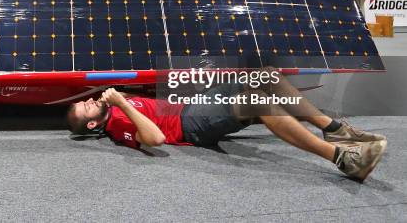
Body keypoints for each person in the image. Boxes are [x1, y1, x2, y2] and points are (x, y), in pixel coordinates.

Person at [66, 70, 387, 182]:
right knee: (258, 102)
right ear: (93, 124)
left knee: (266, 75)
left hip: (191, 104)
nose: (89, 101)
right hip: (189, 123)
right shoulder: (116, 125)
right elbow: (157, 139)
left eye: (84, 101)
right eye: (85, 108)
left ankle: (334, 129)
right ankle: (344, 159)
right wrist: (122, 103)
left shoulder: (110, 104)